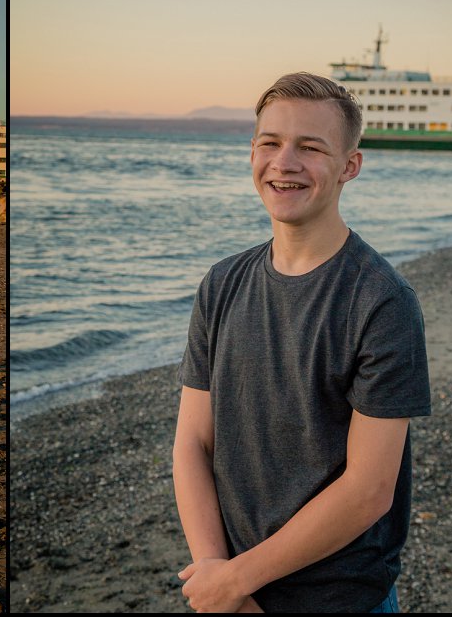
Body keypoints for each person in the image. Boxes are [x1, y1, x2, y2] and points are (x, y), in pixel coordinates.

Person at [173, 72, 431, 613]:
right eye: (270, 142)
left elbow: (368, 490)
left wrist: (235, 581)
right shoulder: (222, 284)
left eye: (310, 148)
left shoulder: (383, 301)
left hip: (340, 598)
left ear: (349, 167)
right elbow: (193, 443)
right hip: (233, 587)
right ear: (252, 154)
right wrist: (220, 579)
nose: (284, 162)